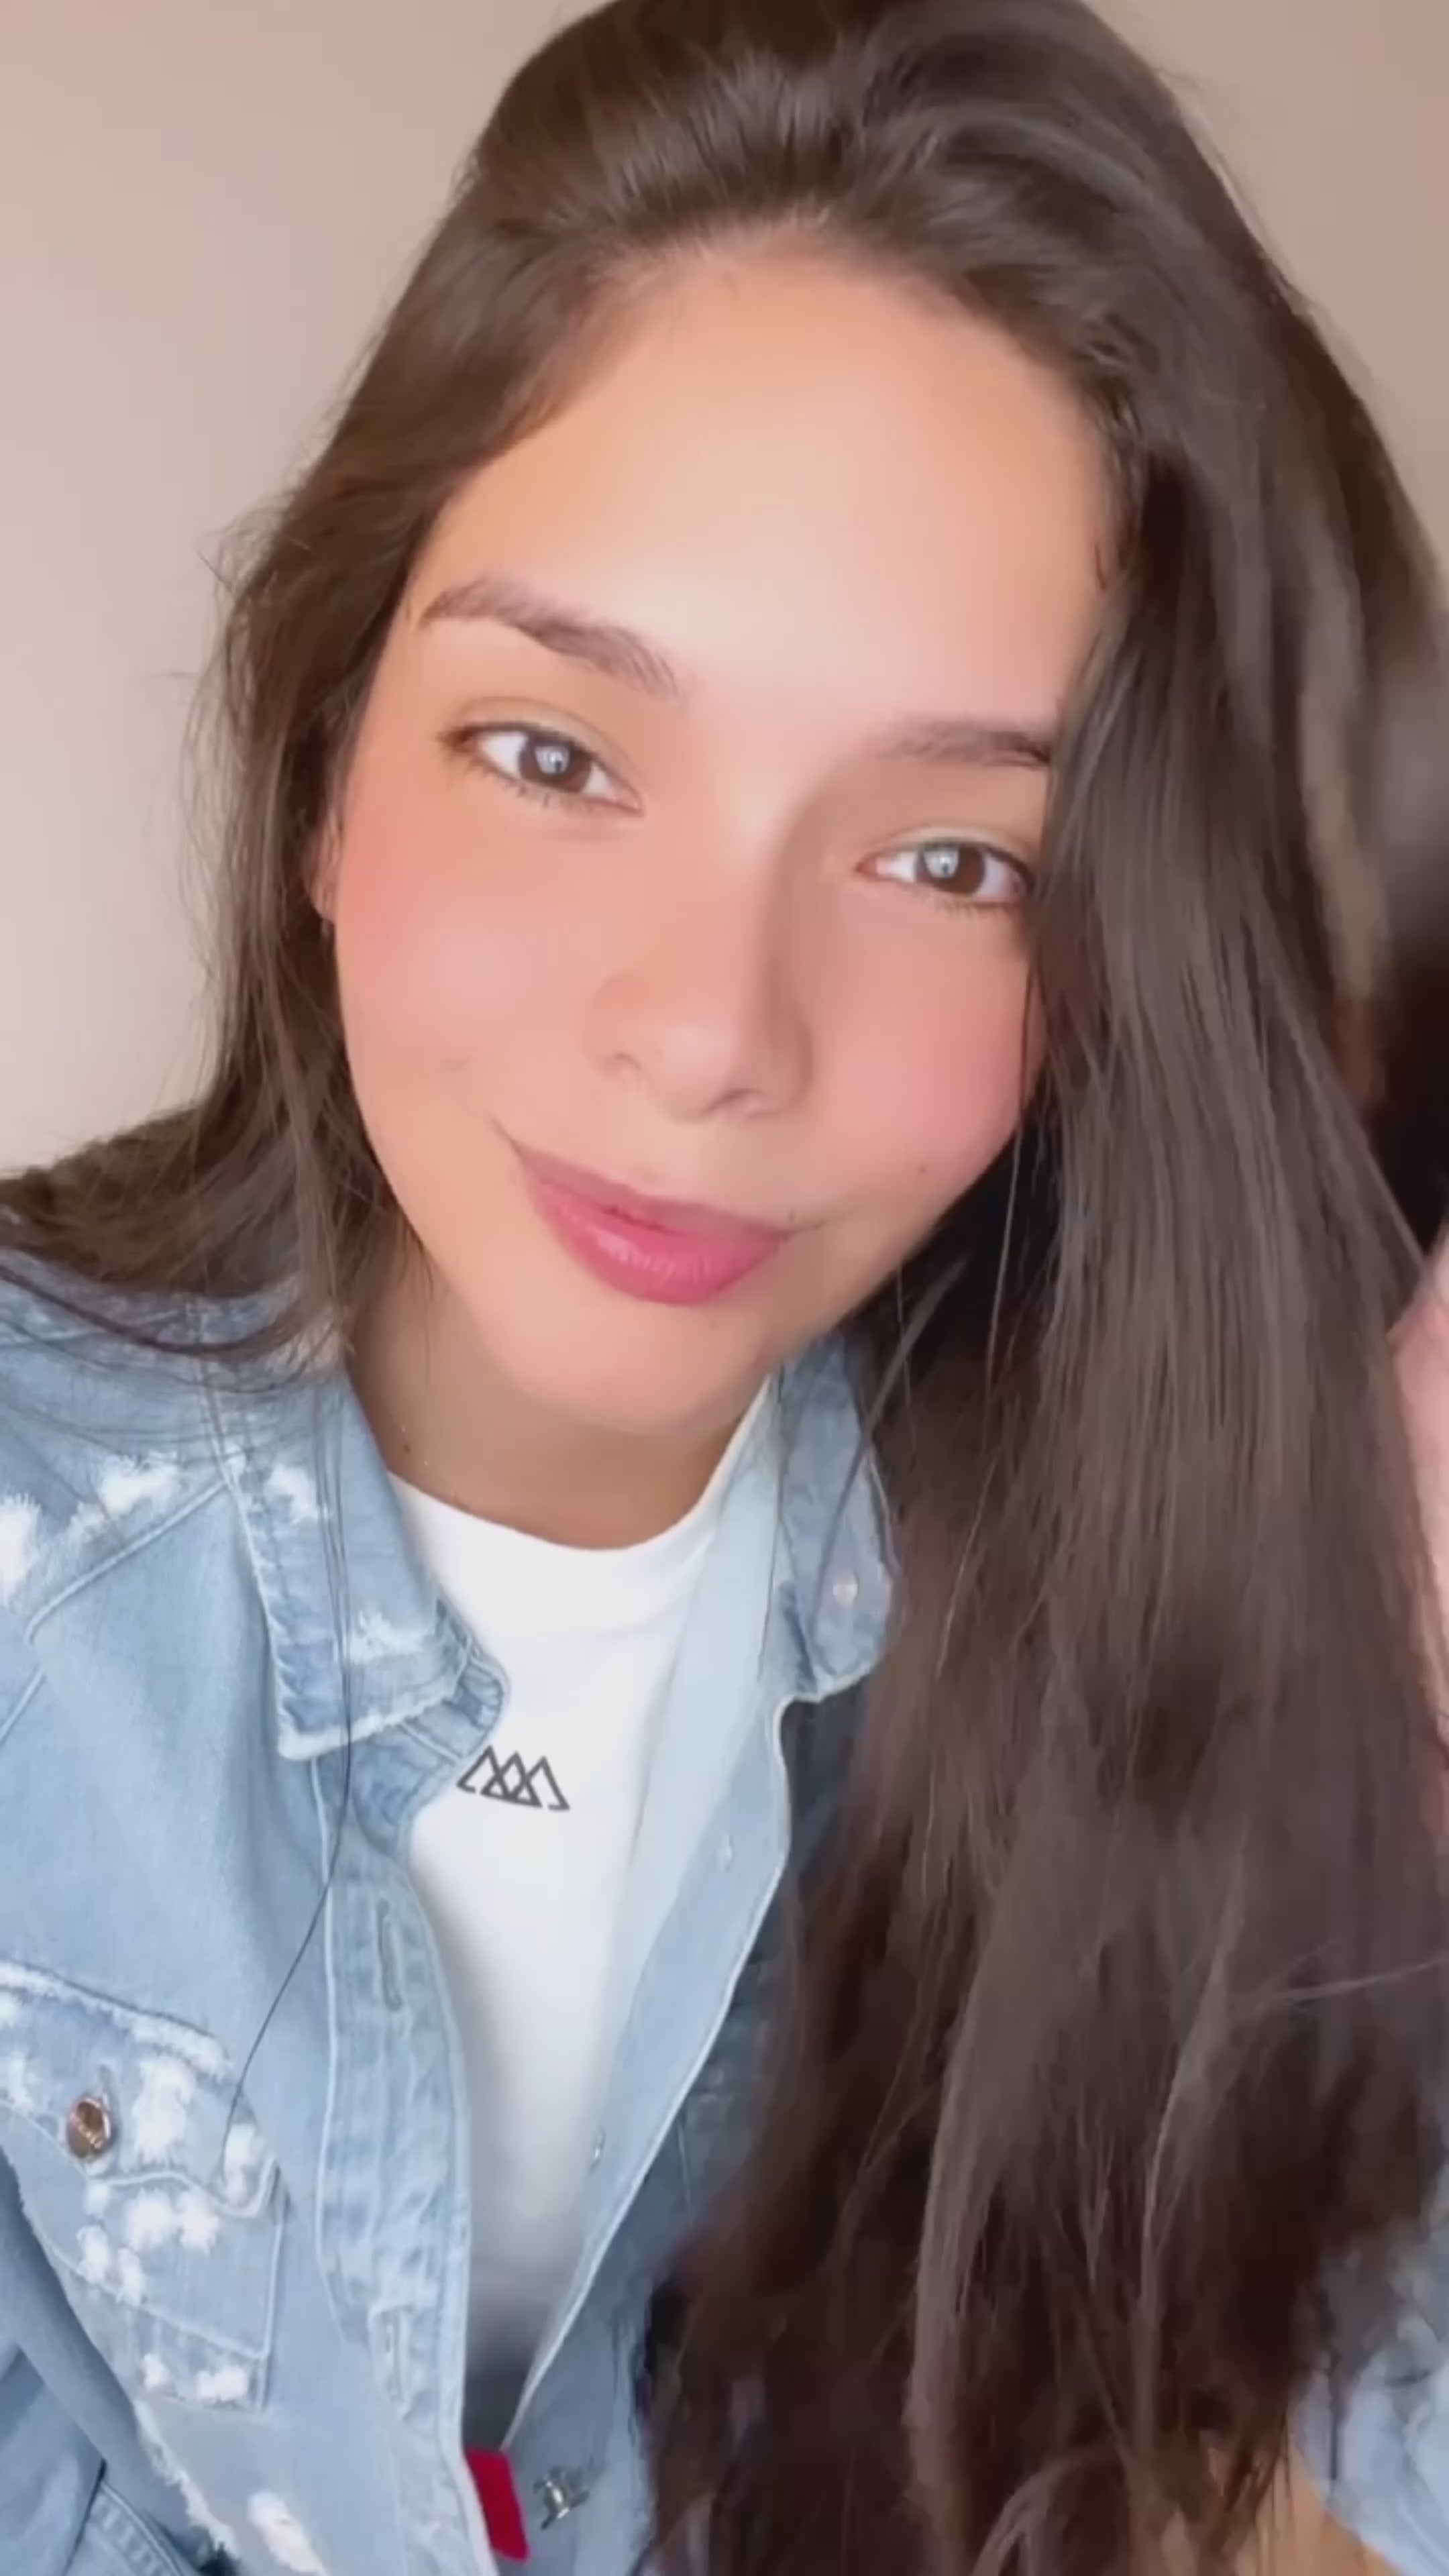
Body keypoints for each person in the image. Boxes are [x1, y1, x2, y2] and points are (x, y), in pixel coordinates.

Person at [1, 0, 1447, 2568]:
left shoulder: (1137, 1587)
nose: (707, 1032)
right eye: (556, 755)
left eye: (951, 861)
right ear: (327, 771)